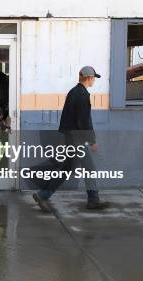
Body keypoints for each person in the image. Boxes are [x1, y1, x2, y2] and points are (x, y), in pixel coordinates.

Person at [33, 66, 109, 212]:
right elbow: (84, 120)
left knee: (66, 169)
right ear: (89, 78)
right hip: (77, 139)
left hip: (70, 138)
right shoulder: (82, 94)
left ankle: (43, 194)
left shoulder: (73, 92)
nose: (94, 81)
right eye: (94, 78)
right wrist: (92, 140)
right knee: (89, 168)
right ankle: (93, 199)